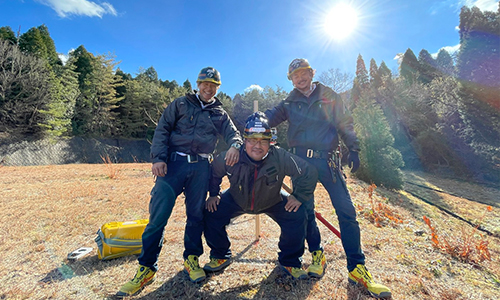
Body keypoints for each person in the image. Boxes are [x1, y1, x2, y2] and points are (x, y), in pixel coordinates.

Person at [264, 58, 392, 298]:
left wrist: (353, 148)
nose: (300, 78)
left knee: (346, 211)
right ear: (290, 79)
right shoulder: (289, 102)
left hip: (328, 161)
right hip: (301, 164)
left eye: (303, 73)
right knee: (305, 212)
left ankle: (357, 268)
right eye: (295, 75)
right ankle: (317, 256)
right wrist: (258, 120)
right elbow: (270, 116)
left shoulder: (330, 95)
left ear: (311, 73)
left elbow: (345, 122)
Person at [117, 67, 243, 297]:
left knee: (195, 216)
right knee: (158, 217)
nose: (208, 88)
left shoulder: (219, 113)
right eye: (205, 83)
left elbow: (234, 134)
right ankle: (146, 268)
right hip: (172, 166)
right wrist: (158, 158)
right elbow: (162, 130)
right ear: (197, 84)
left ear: (217, 88)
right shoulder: (180, 104)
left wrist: (235, 145)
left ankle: (192, 259)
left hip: (201, 168)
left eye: (213, 85)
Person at [203, 112, 318, 279]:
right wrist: (214, 194)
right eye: (252, 140)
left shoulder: (280, 156)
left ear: (270, 141)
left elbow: (309, 172)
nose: (258, 145)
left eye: (263, 140)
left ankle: (290, 262)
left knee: (298, 214)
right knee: (211, 211)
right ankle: (220, 255)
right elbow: (214, 172)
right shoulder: (231, 155)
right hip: (236, 199)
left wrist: (298, 196)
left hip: (272, 200)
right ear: (244, 140)